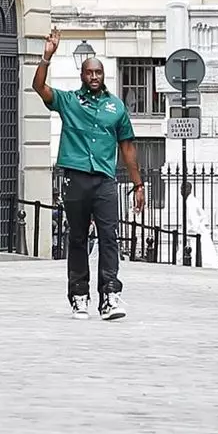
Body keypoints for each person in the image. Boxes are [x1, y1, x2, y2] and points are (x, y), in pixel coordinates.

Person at [33, 28, 144, 320]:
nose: (93, 77)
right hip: (76, 176)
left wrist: (138, 184)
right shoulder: (69, 101)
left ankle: (110, 296)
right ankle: (79, 296)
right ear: (82, 75)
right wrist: (47, 57)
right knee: (78, 238)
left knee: (109, 236)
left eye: (97, 73)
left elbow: (128, 147)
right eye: (88, 73)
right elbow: (39, 88)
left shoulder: (116, 106)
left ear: (102, 75)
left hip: (105, 179)